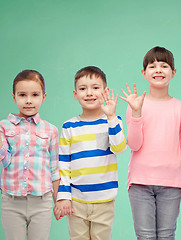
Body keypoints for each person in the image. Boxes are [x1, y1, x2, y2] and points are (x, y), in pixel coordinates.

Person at [120, 46, 181, 240]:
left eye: (164, 65)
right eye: (152, 66)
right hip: (140, 183)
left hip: (171, 184)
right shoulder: (136, 104)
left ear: (173, 72)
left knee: (167, 235)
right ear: (144, 73)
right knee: (145, 236)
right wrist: (136, 113)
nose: (158, 70)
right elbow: (134, 145)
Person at [0, 70, 60, 240]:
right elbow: (2, 162)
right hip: (12, 201)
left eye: (35, 95)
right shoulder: (3, 126)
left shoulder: (50, 130)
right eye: (22, 95)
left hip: (42, 202)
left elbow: (54, 170)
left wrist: (58, 201)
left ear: (43, 97)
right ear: (14, 97)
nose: (29, 100)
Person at [54, 66, 127, 240]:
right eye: (83, 88)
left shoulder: (113, 122)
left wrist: (111, 118)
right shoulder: (69, 127)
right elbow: (63, 163)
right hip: (76, 200)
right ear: (75, 94)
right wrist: (63, 196)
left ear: (105, 91)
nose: (89, 93)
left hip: (104, 199)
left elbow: (120, 148)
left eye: (95, 88)